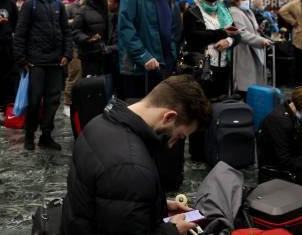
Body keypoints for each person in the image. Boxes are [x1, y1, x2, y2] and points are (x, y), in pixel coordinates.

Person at [60, 74, 212, 235]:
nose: (172, 144)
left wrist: (154, 205)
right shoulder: (131, 167)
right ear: (168, 117)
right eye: (179, 136)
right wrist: (172, 231)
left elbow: (111, 201)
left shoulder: (99, 122)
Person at [14, 0, 72, 151]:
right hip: (36, 62)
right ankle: (29, 135)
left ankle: (46, 136)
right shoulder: (30, 4)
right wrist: (22, 60)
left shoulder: (58, 5)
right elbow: (20, 34)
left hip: (55, 62)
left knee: (52, 102)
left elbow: (66, 32)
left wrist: (67, 54)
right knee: (33, 101)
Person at [183, 0, 241, 161]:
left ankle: (215, 147)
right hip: (203, 68)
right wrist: (223, 33)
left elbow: (236, 34)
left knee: (218, 109)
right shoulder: (193, 11)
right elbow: (194, 37)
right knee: (200, 110)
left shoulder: (224, 10)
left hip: (223, 68)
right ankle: (198, 151)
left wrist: (229, 41)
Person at [118, 0, 181, 99]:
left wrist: (172, 54)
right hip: (141, 68)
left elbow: (173, 28)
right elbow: (126, 28)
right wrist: (143, 56)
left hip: (165, 65)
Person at [230, 0, 272, 95]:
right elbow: (241, 33)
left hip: (253, 48)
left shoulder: (248, 11)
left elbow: (252, 28)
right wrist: (261, 40)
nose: (247, 1)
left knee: (253, 85)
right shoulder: (234, 12)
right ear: (236, 0)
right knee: (245, 84)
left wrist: (259, 29)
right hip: (244, 51)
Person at [72, 0, 115, 78]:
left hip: (108, 54)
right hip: (90, 55)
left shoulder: (109, 8)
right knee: (92, 87)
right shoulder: (83, 9)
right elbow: (75, 31)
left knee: (108, 87)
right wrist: (88, 39)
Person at [63, 0, 90, 117]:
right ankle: (68, 103)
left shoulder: (91, 7)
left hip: (89, 47)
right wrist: (78, 20)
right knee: (74, 75)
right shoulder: (71, 7)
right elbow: (63, 22)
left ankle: (81, 102)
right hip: (74, 46)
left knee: (87, 76)